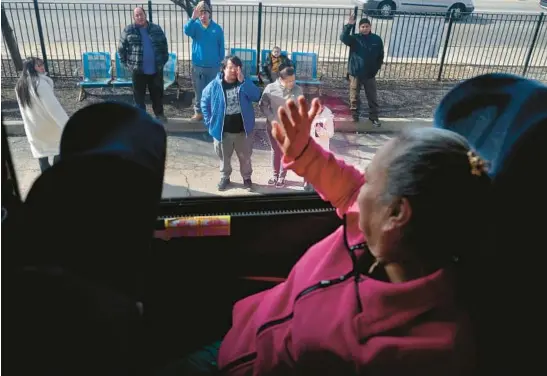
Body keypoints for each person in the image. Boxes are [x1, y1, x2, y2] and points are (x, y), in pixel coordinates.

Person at [201, 55, 261, 192]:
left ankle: (246, 178)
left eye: (237, 68)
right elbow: (204, 102)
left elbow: (257, 96)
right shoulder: (215, 85)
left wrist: (244, 82)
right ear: (223, 69)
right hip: (222, 131)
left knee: (245, 158)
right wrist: (209, 121)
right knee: (224, 158)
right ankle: (225, 177)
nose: (234, 71)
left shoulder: (243, 83)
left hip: (242, 131)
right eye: (230, 67)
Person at [15, 57, 69, 173]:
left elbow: (23, 110)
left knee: (41, 155)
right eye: (39, 66)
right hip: (49, 126)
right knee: (60, 148)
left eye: (42, 64)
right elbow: (54, 109)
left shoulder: (20, 86)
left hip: (34, 128)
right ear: (31, 68)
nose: (42, 67)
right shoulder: (40, 84)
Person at [118, 7, 169, 123]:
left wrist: (163, 61)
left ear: (145, 15)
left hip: (155, 69)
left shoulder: (156, 29)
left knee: (157, 94)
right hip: (138, 71)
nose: (140, 17)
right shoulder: (129, 30)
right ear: (134, 18)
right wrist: (127, 64)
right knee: (139, 97)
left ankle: (159, 114)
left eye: (141, 14)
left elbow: (164, 46)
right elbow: (121, 49)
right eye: (137, 15)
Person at [259, 64, 303, 188]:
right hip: (273, 127)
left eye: (293, 80)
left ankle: (282, 177)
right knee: (275, 151)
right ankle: (274, 175)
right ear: (281, 79)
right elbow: (262, 105)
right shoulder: (270, 89)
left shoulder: (297, 90)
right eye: (289, 81)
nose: (292, 83)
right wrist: (272, 118)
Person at [184, 1, 225, 121]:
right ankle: (199, 112)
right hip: (198, 66)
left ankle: (211, 113)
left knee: (212, 91)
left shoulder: (217, 29)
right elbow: (186, 31)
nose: (203, 16)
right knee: (199, 91)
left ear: (209, 14)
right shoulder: (195, 26)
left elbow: (221, 46)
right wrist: (192, 18)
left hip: (213, 67)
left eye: (205, 13)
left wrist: (220, 62)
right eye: (200, 13)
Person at [341, 15, 384, 126]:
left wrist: (376, 68)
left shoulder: (377, 39)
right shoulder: (354, 38)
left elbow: (380, 55)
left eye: (367, 26)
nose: (365, 28)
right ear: (359, 28)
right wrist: (349, 25)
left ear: (370, 27)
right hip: (355, 73)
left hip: (370, 74)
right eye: (362, 26)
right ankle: (355, 117)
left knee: (372, 97)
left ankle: (374, 118)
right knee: (354, 96)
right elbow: (343, 37)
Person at [304, 103, 334, 192]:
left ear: (322, 106)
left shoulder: (328, 116)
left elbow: (331, 134)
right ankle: (307, 181)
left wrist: (321, 131)